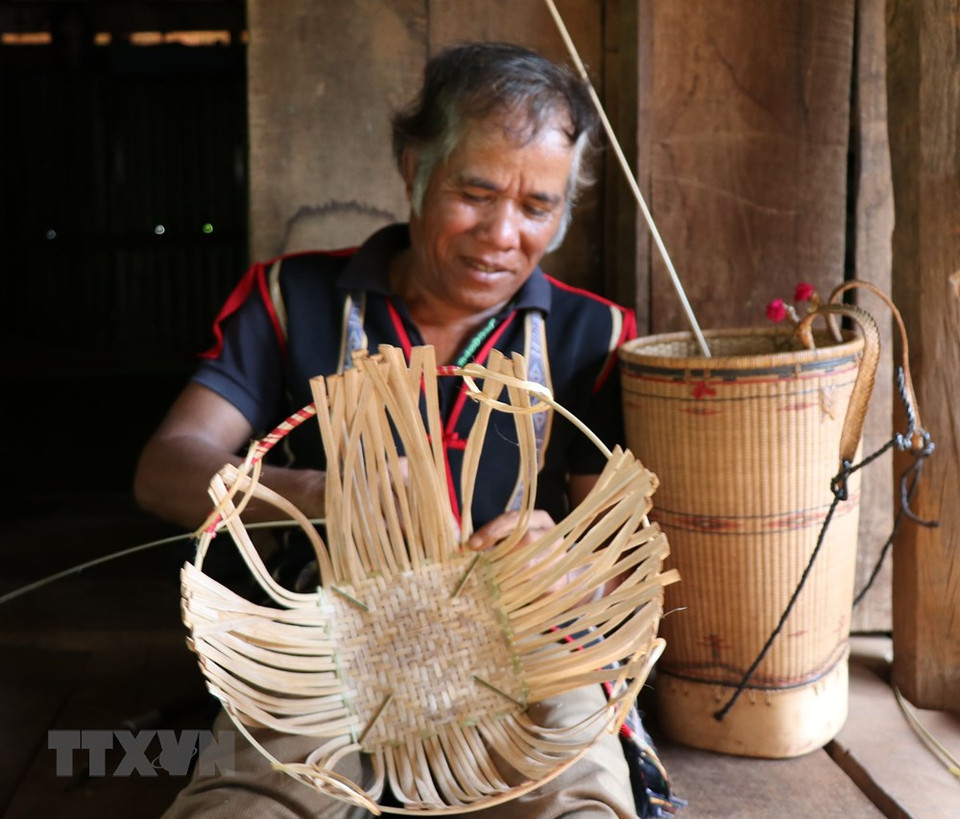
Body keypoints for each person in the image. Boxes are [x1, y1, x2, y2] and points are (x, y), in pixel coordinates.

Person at [136, 41, 666, 819]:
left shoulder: (594, 335)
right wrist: (321, 493)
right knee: (254, 800)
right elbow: (166, 469)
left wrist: (564, 559)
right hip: (328, 629)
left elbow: (619, 560)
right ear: (415, 167)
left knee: (577, 794)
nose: (502, 233)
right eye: (476, 192)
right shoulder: (295, 299)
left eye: (536, 206)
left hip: (521, 634)